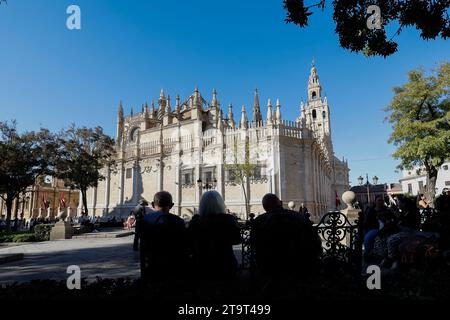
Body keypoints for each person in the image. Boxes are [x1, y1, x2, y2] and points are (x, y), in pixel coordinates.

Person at [251, 193, 322, 279]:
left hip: (272, 269)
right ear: (280, 203)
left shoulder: (259, 221)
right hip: (301, 266)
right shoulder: (300, 217)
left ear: (264, 207)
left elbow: (254, 245)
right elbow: (316, 242)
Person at [188, 191, 241, 281]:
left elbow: (189, 244)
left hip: (202, 265)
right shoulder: (228, 220)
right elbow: (237, 240)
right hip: (225, 264)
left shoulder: (196, 222)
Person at [140, 191, 188, 282]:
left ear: (153, 204)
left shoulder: (146, 220)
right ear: (172, 205)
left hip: (153, 267)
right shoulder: (179, 221)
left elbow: (143, 248)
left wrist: (143, 273)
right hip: (175, 269)